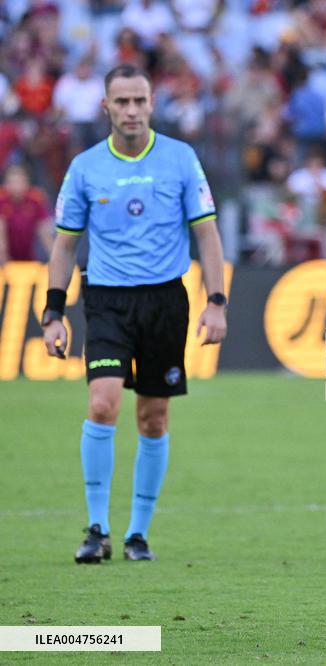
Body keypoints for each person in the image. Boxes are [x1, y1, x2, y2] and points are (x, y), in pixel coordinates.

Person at [42, 64, 227, 564]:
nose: (130, 110)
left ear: (151, 103)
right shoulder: (84, 168)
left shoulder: (180, 159)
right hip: (105, 299)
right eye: (121, 101)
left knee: (153, 416)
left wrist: (216, 302)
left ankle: (137, 534)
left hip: (166, 300)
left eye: (139, 101)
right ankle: (97, 528)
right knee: (102, 403)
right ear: (105, 106)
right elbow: (64, 246)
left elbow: (207, 236)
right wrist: (52, 313)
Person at [0, 164, 53, 263]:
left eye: (21, 182)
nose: (17, 187)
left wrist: (56, 261)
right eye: (13, 183)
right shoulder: (1, 199)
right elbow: (1, 237)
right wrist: (4, 264)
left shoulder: (36, 198)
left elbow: (46, 234)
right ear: (5, 184)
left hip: (28, 258)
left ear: (28, 183)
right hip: (3, 259)